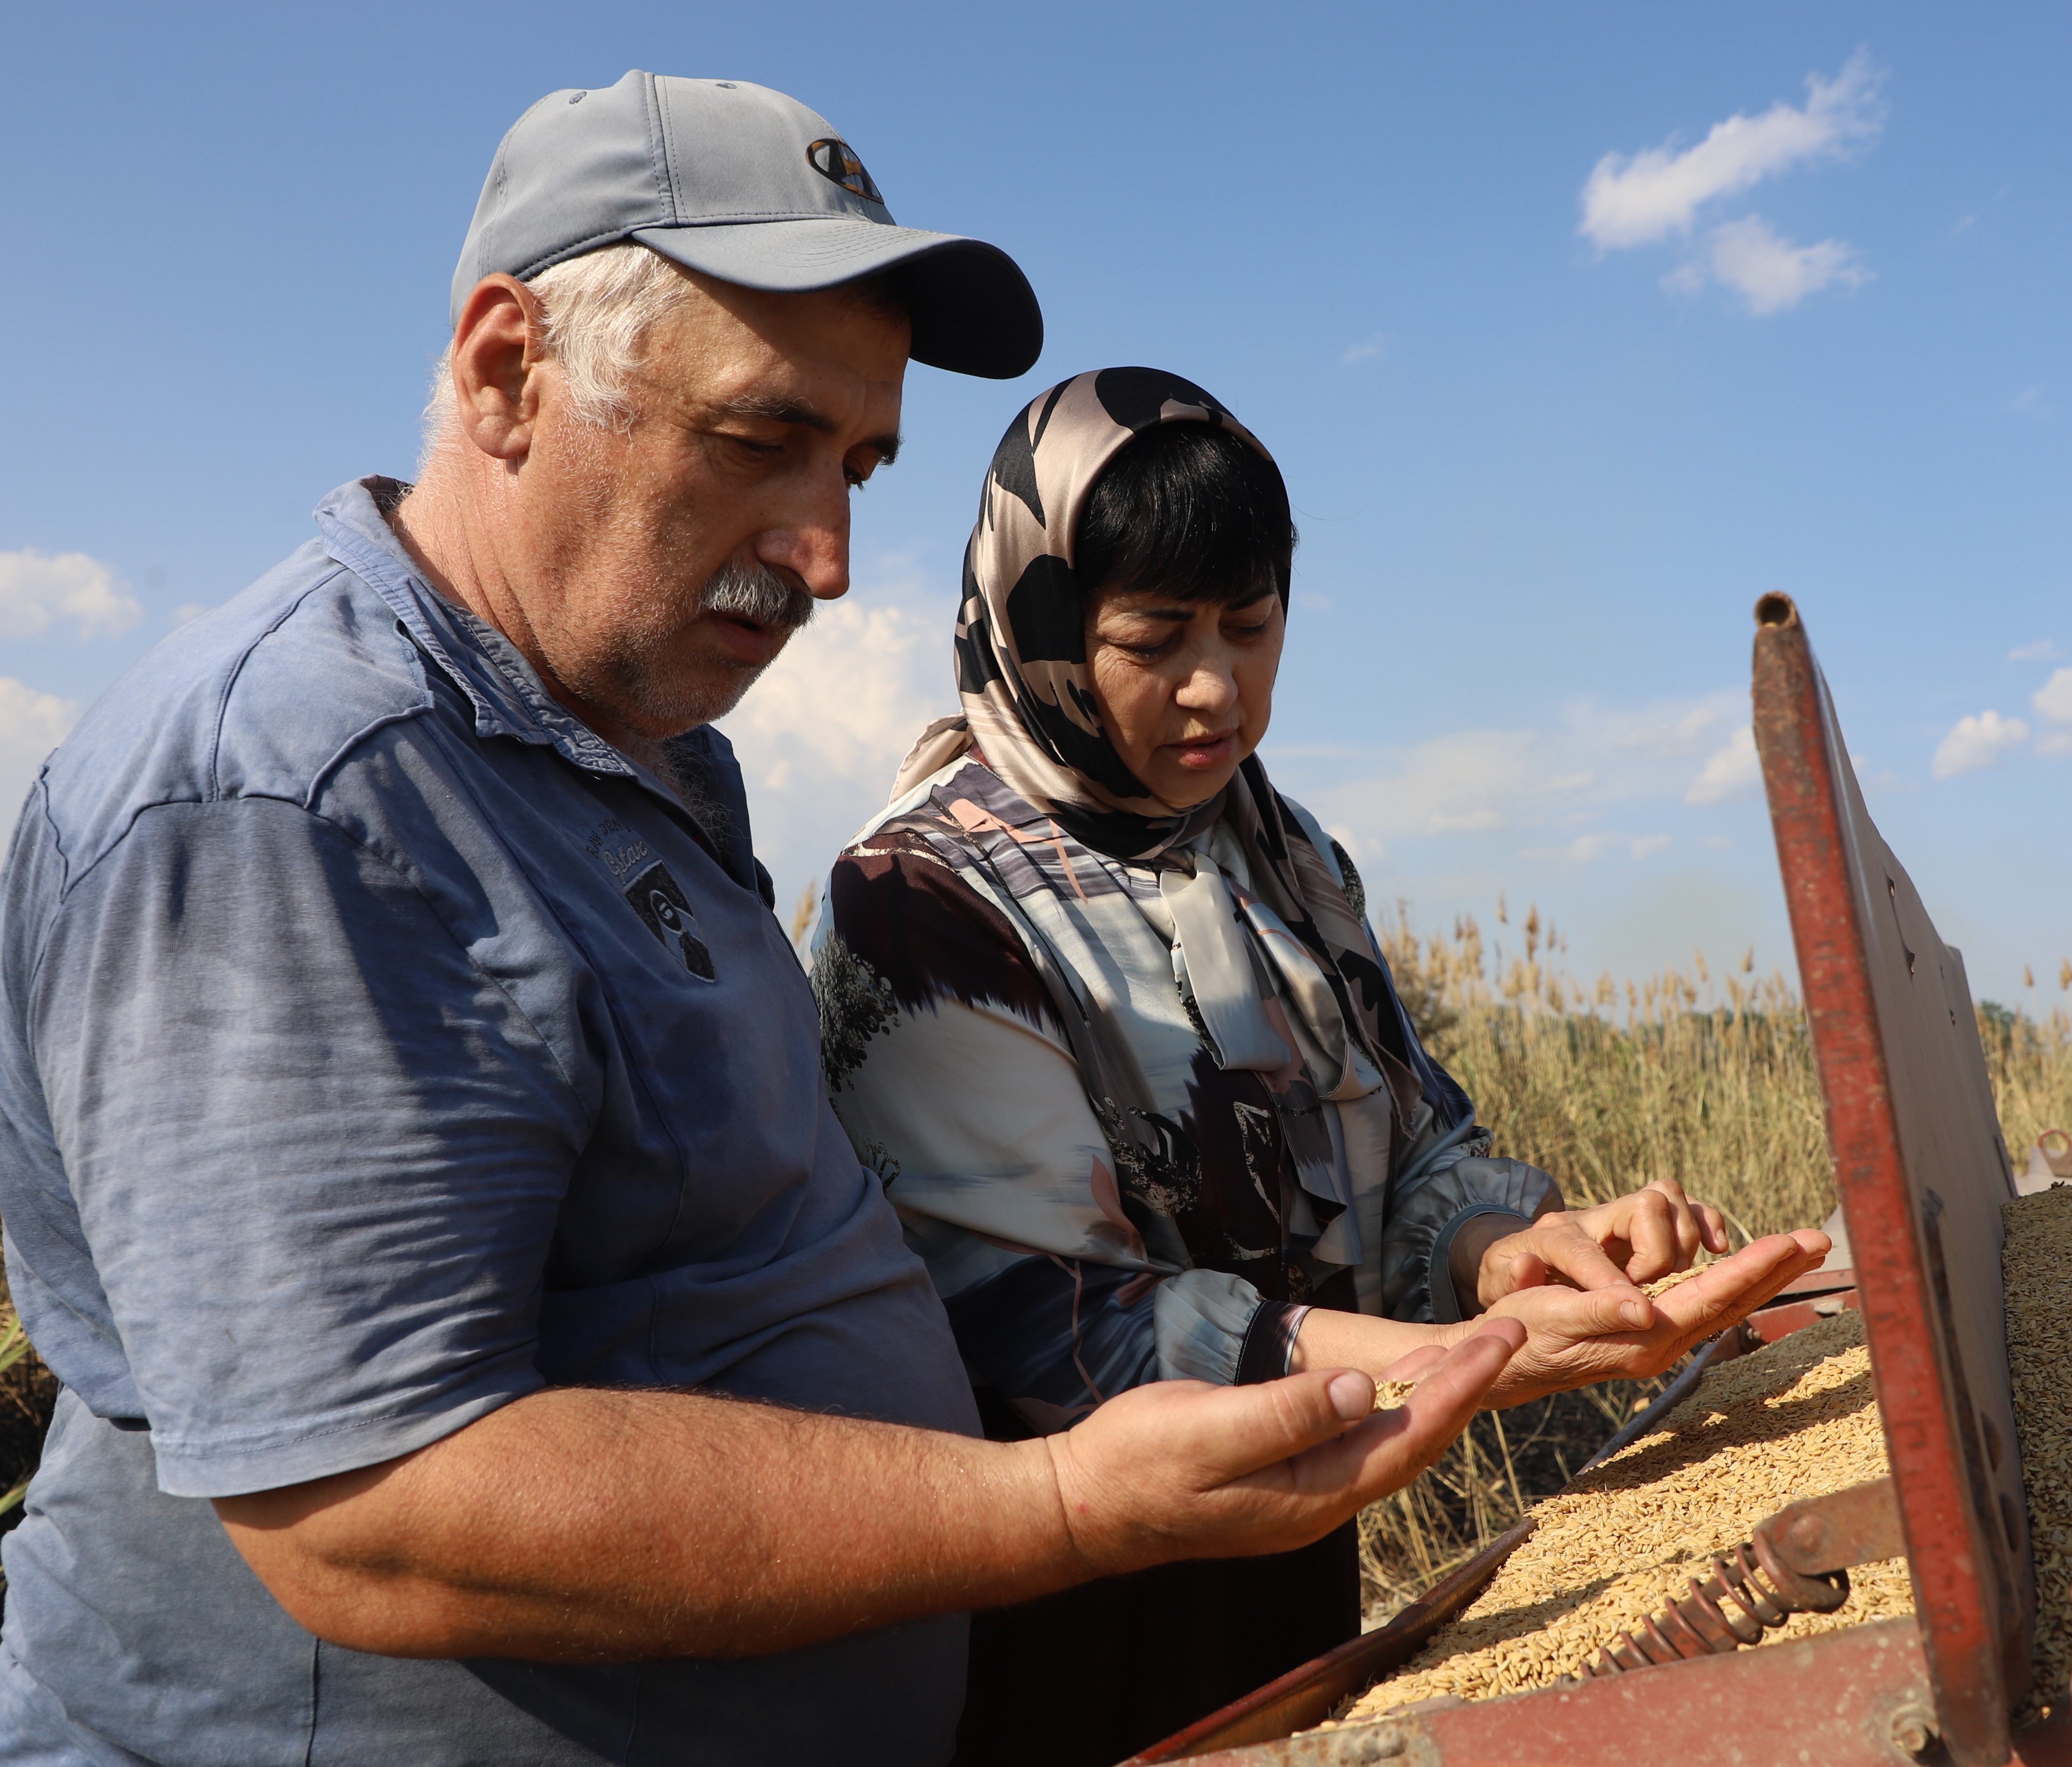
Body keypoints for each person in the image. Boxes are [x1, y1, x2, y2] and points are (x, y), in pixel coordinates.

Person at [0, 74, 1606, 1767]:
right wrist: (1054, 1500)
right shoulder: (300, 800)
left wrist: (1494, 1252)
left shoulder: (649, 763)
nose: (831, 555)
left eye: (859, 462)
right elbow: (374, 1506)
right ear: (504, 373)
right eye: (760, 439)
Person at [815, 367, 1831, 1762]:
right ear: (1043, 625)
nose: (1215, 686)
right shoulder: (925, 904)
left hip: (1299, 1538)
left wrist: (1510, 1248)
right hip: (1057, 1590)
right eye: (1153, 635)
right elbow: (1066, 1327)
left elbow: (1412, 1145)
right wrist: (1456, 1361)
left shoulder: (1282, 852)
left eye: (1252, 624)